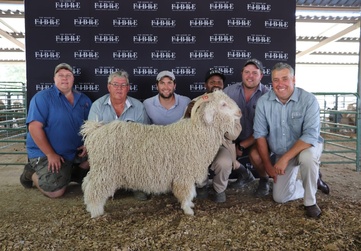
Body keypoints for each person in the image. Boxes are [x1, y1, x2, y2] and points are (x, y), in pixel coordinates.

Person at [253, 62, 324, 218]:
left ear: (294, 79)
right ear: (271, 82)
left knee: (308, 157)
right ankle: (312, 182)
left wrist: (284, 158)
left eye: (284, 78)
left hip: (306, 147)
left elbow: (311, 135)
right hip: (282, 150)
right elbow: (259, 135)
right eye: (276, 80)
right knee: (280, 197)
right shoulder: (263, 102)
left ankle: (310, 202)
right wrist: (268, 166)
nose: (280, 84)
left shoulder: (309, 100)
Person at [20, 63, 92, 198]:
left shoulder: (84, 100)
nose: (64, 78)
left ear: (73, 78)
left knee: (100, 154)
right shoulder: (42, 98)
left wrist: (88, 143)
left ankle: (70, 174)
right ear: (54, 79)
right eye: (60, 75)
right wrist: (50, 154)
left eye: (68, 75)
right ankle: (31, 173)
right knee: (55, 192)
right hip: (47, 153)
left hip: (74, 151)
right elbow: (34, 127)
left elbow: (91, 126)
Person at [87, 69, 150, 200]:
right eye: (115, 85)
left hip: (132, 150)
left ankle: (137, 185)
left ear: (128, 88)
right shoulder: (97, 106)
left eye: (123, 85)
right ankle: (107, 185)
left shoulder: (138, 106)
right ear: (109, 87)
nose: (119, 88)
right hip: (107, 150)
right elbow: (92, 135)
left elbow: (144, 135)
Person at [184, 69, 242, 203]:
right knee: (196, 158)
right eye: (212, 82)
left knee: (224, 162)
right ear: (205, 85)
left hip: (221, 146)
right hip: (199, 146)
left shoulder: (230, 104)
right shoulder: (196, 102)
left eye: (219, 82)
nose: (216, 84)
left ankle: (219, 189)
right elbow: (185, 131)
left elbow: (233, 135)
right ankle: (201, 186)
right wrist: (188, 115)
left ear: (223, 85)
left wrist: (219, 120)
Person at [224, 59, 270, 195]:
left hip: (258, 137)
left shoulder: (268, 95)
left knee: (256, 155)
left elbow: (266, 128)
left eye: (254, 73)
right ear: (242, 74)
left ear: (261, 75)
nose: (250, 76)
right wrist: (232, 142)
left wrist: (243, 145)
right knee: (220, 152)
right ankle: (245, 174)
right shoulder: (229, 91)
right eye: (247, 72)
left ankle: (264, 180)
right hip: (233, 136)